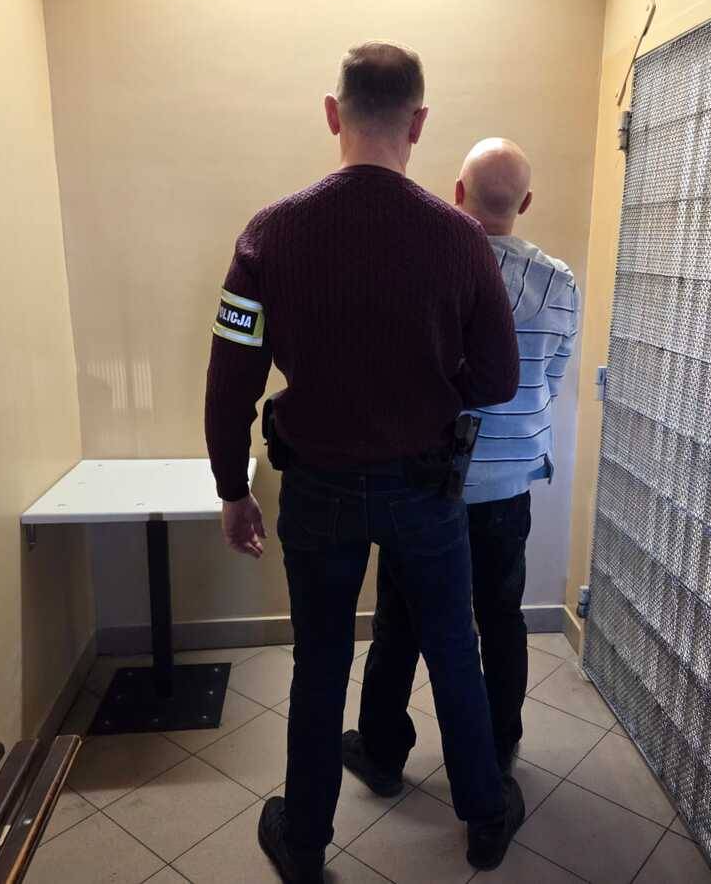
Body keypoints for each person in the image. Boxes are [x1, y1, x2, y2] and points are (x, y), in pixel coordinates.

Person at [203, 46, 526, 882]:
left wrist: (232, 488)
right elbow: (499, 379)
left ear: (332, 113)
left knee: (320, 664)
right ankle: (485, 818)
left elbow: (231, 377)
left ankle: (306, 843)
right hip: (427, 488)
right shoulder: (460, 238)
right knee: (453, 649)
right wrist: (433, 390)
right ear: (419, 122)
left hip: (317, 491)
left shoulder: (268, 235)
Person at [344, 138, 579, 790]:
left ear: (456, 194)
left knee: (400, 621)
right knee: (501, 620)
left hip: (423, 484)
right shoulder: (559, 283)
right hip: (507, 483)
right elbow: (549, 381)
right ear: (525, 203)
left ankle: (382, 753)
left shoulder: (424, 269)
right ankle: (497, 752)